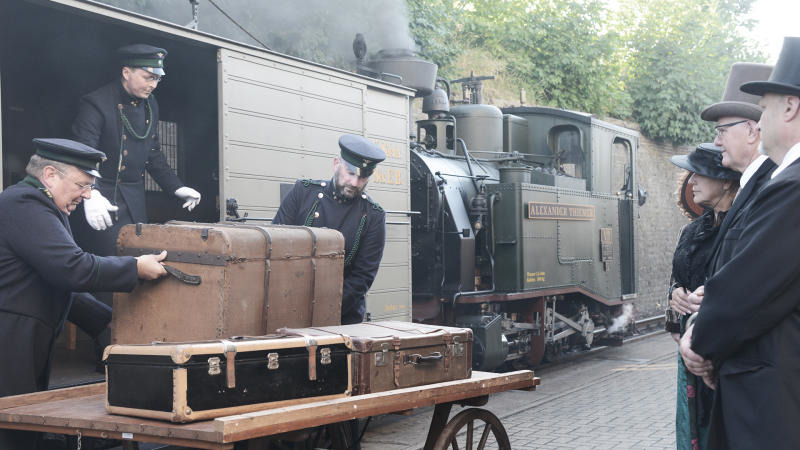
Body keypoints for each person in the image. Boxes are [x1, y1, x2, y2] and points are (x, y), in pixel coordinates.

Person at [0, 138, 168, 449]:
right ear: (50, 174)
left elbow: (52, 282)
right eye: (82, 184)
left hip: (24, 335)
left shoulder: (42, 204)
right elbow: (71, 269)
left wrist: (107, 322)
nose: (87, 194)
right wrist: (135, 267)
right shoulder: (25, 203)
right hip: (10, 337)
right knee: (13, 428)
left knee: (24, 425)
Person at [682, 37, 800, 448]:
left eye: (764, 108)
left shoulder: (793, 185)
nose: (760, 120)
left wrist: (699, 339)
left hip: (768, 401)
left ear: (790, 106)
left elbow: (747, 291)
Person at [68, 44, 201, 354]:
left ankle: (133, 345)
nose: (152, 85)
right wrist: (90, 193)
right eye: (146, 77)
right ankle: (106, 350)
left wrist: (175, 187)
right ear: (126, 72)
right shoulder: (96, 103)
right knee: (109, 271)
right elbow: (82, 152)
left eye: (156, 79)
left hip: (132, 199)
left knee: (138, 269)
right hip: (101, 201)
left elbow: (153, 153)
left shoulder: (150, 105)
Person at [667, 144, 739, 450]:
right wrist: (675, 296)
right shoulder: (692, 231)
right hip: (690, 354)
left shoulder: (746, 224)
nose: (691, 180)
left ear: (725, 180)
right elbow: (676, 280)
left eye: (699, 173)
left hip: (726, 355)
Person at [272, 134, 387, 325]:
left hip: (342, 316)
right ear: (336, 164)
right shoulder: (303, 192)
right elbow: (275, 246)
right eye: (350, 173)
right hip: (287, 308)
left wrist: (323, 310)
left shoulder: (373, 215)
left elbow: (361, 278)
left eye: (363, 177)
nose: (355, 183)